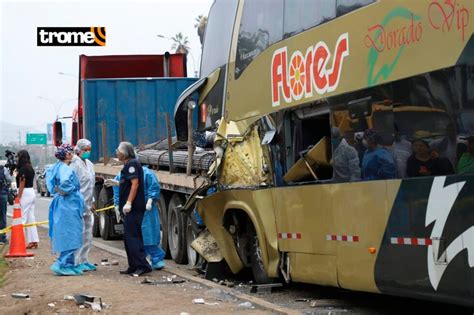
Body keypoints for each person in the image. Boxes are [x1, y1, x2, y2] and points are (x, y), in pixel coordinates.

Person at [105, 142, 151, 276]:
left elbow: (135, 184)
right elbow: (128, 183)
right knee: (128, 238)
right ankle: (133, 265)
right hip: (130, 208)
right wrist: (118, 183)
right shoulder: (128, 165)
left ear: (124, 153)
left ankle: (142, 265)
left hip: (134, 208)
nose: (116, 153)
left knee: (133, 237)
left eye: (118, 151)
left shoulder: (132, 164)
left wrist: (129, 203)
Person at [109, 166, 166, 270]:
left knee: (148, 235)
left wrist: (150, 200)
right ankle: (144, 260)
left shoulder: (146, 173)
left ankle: (154, 258)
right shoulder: (122, 174)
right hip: (131, 209)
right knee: (136, 237)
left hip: (144, 209)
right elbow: (117, 191)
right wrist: (117, 205)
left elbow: (153, 187)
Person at [46, 144, 85, 276]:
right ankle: (62, 264)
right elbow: (64, 183)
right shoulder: (64, 169)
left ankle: (69, 263)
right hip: (68, 205)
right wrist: (68, 191)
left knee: (67, 234)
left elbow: (53, 186)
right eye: (71, 152)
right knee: (71, 234)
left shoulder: (57, 167)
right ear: (67, 154)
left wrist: (60, 191)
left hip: (64, 204)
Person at [69, 139, 97, 272]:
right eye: (85, 149)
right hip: (78, 204)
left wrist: (92, 201)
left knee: (88, 233)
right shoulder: (74, 165)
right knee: (78, 233)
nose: (88, 152)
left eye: (89, 149)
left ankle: (84, 259)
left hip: (88, 203)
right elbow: (72, 185)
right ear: (79, 150)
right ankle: (76, 261)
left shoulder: (90, 164)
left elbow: (91, 185)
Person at [16, 150, 39, 249]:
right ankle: (33, 240)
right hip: (31, 192)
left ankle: (18, 242)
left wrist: (18, 196)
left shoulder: (23, 169)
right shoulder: (30, 168)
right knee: (31, 218)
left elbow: (22, 183)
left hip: (24, 193)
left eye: (18, 157)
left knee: (22, 217)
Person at [0, 163, 12, 244]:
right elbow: (9, 180)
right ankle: (2, 238)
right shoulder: (3, 169)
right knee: (2, 216)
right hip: (2, 194)